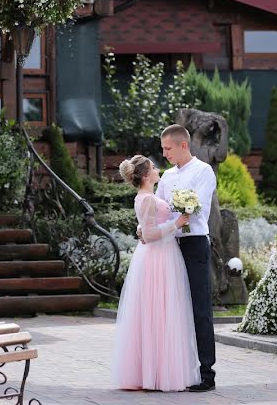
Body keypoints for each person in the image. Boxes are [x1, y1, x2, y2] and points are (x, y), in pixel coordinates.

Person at [110, 154, 201, 392]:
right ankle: (157, 374)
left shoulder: (146, 197)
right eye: (152, 167)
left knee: (158, 313)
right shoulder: (148, 198)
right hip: (158, 257)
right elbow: (150, 235)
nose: (157, 169)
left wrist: (145, 228)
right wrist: (178, 223)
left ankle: (154, 372)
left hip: (160, 254)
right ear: (144, 175)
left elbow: (144, 227)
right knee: (159, 312)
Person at [155, 124, 217, 392]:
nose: (165, 153)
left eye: (168, 148)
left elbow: (197, 208)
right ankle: (175, 371)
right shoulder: (166, 176)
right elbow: (159, 209)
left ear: (183, 145)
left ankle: (206, 374)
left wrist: (174, 217)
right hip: (170, 245)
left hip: (194, 244)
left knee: (199, 309)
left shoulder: (204, 171)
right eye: (162, 149)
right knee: (172, 310)